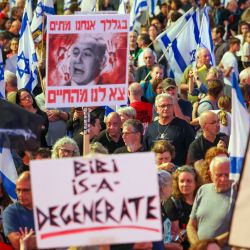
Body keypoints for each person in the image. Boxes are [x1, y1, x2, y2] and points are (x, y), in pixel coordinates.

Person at [187, 156, 236, 249]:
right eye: (219, 175)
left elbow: (238, 230)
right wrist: (198, 246)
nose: (223, 179)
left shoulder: (238, 195)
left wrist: (209, 245)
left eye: (227, 175)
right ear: (210, 174)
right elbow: (191, 225)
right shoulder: (203, 190)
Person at [143, 93, 195, 165]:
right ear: (156, 109)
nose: (166, 108)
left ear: (173, 107)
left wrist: (185, 169)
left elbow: (191, 150)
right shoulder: (150, 128)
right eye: (163, 106)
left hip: (177, 172)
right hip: (155, 172)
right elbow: (145, 152)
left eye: (169, 105)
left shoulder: (183, 126)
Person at [163, 166, 201, 250]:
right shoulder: (172, 202)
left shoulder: (202, 200)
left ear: (196, 183)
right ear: (177, 183)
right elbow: (175, 232)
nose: (185, 184)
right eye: (182, 181)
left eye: (189, 181)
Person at [2, 172, 36, 250]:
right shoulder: (10, 212)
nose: (20, 194)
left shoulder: (47, 207)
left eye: (25, 190)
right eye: (18, 190)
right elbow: (18, 244)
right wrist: (53, 237)